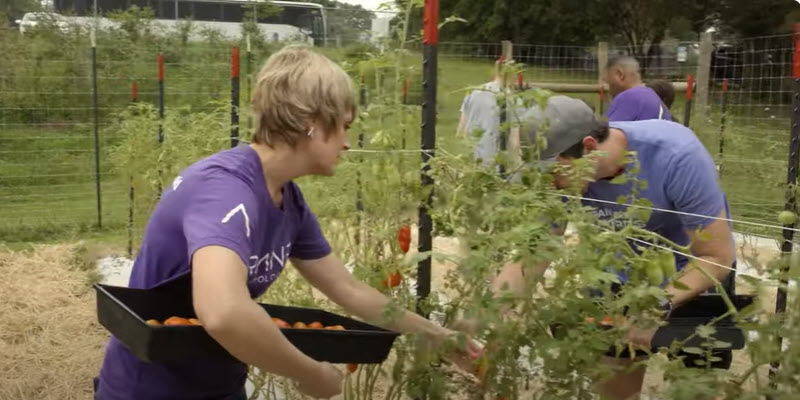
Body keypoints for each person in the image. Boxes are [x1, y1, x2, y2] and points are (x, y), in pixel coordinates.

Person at [95, 46, 480, 400]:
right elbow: (224, 312)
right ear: (311, 122)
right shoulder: (226, 192)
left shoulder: (286, 199)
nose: (347, 142)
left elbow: (347, 288)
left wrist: (436, 335)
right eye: (344, 125)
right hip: (150, 389)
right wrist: (310, 373)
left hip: (218, 383)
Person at [492, 96, 735, 399]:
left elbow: (717, 256)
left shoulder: (677, 155)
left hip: (694, 276)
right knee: (615, 386)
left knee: (696, 385)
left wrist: (655, 307)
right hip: (620, 281)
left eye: (554, 171)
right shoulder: (567, 174)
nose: (550, 182)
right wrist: (490, 309)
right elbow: (537, 248)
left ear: (590, 147)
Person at [605, 56, 672, 122]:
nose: (606, 81)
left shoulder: (629, 96)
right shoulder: (652, 96)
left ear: (620, 74)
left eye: (608, 77)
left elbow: (608, 131)